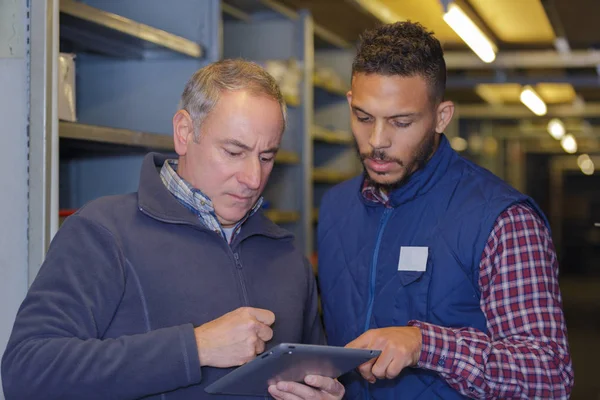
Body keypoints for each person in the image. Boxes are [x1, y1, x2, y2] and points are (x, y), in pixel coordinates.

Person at [1, 59, 344, 400]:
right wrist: (195, 348)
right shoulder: (103, 233)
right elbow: (27, 371)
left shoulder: (287, 256)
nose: (253, 178)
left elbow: (310, 376)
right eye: (233, 151)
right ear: (184, 132)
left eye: (266, 157)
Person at [317, 21, 574, 399]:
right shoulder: (335, 206)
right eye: (363, 117)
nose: (376, 142)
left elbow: (548, 376)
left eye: (401, 122)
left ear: (441, 117)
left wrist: (426, 345)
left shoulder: (504, 221)